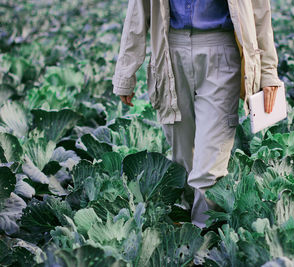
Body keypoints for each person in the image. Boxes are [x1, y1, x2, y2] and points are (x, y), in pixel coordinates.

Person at [112, 0, 284, 229]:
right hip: (169, 53)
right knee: (183, 163)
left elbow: (260, 11)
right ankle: (186, 242)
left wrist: (268, 72)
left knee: (208, 171)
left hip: (221, 51)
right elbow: (137, 11)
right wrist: (126, 73)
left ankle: (203, 245)